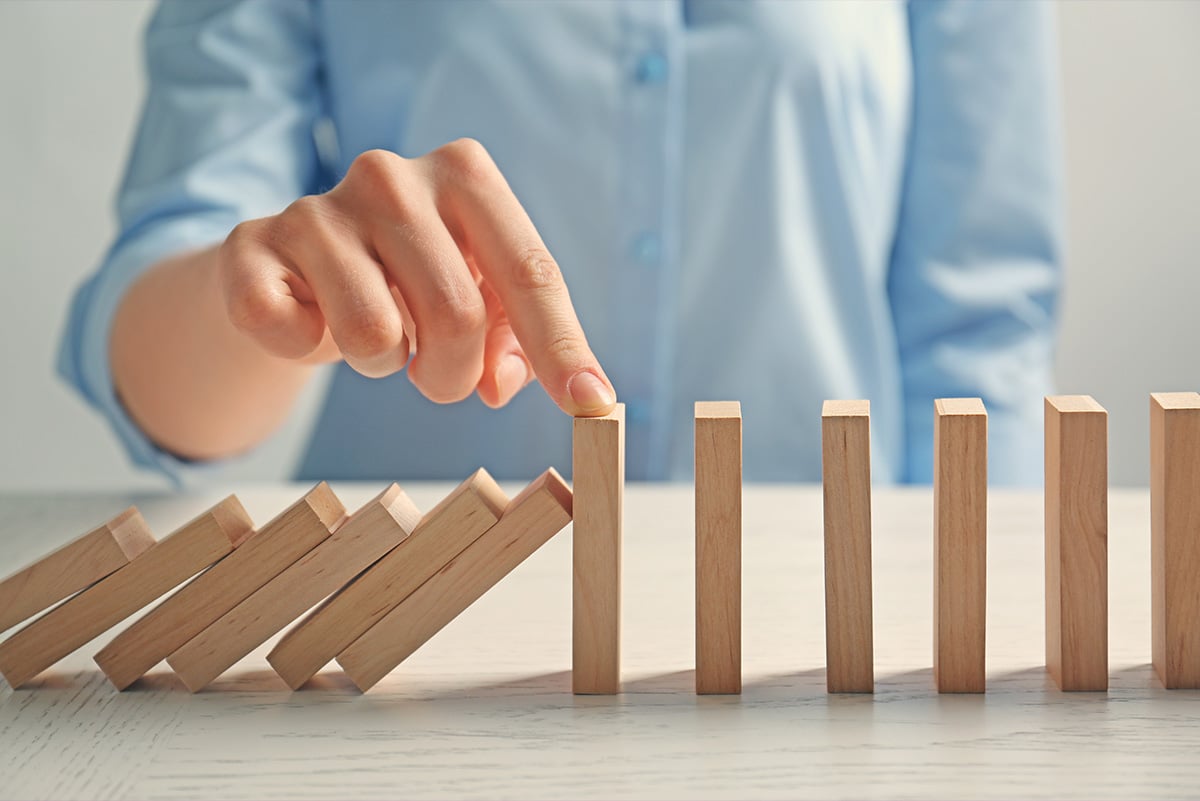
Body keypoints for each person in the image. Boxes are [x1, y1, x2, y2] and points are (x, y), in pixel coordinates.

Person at [59, 1, 1062, 486]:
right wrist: (272, 292)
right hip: (407, 652)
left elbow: (978, 321)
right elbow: (161, 292)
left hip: (823, 647)